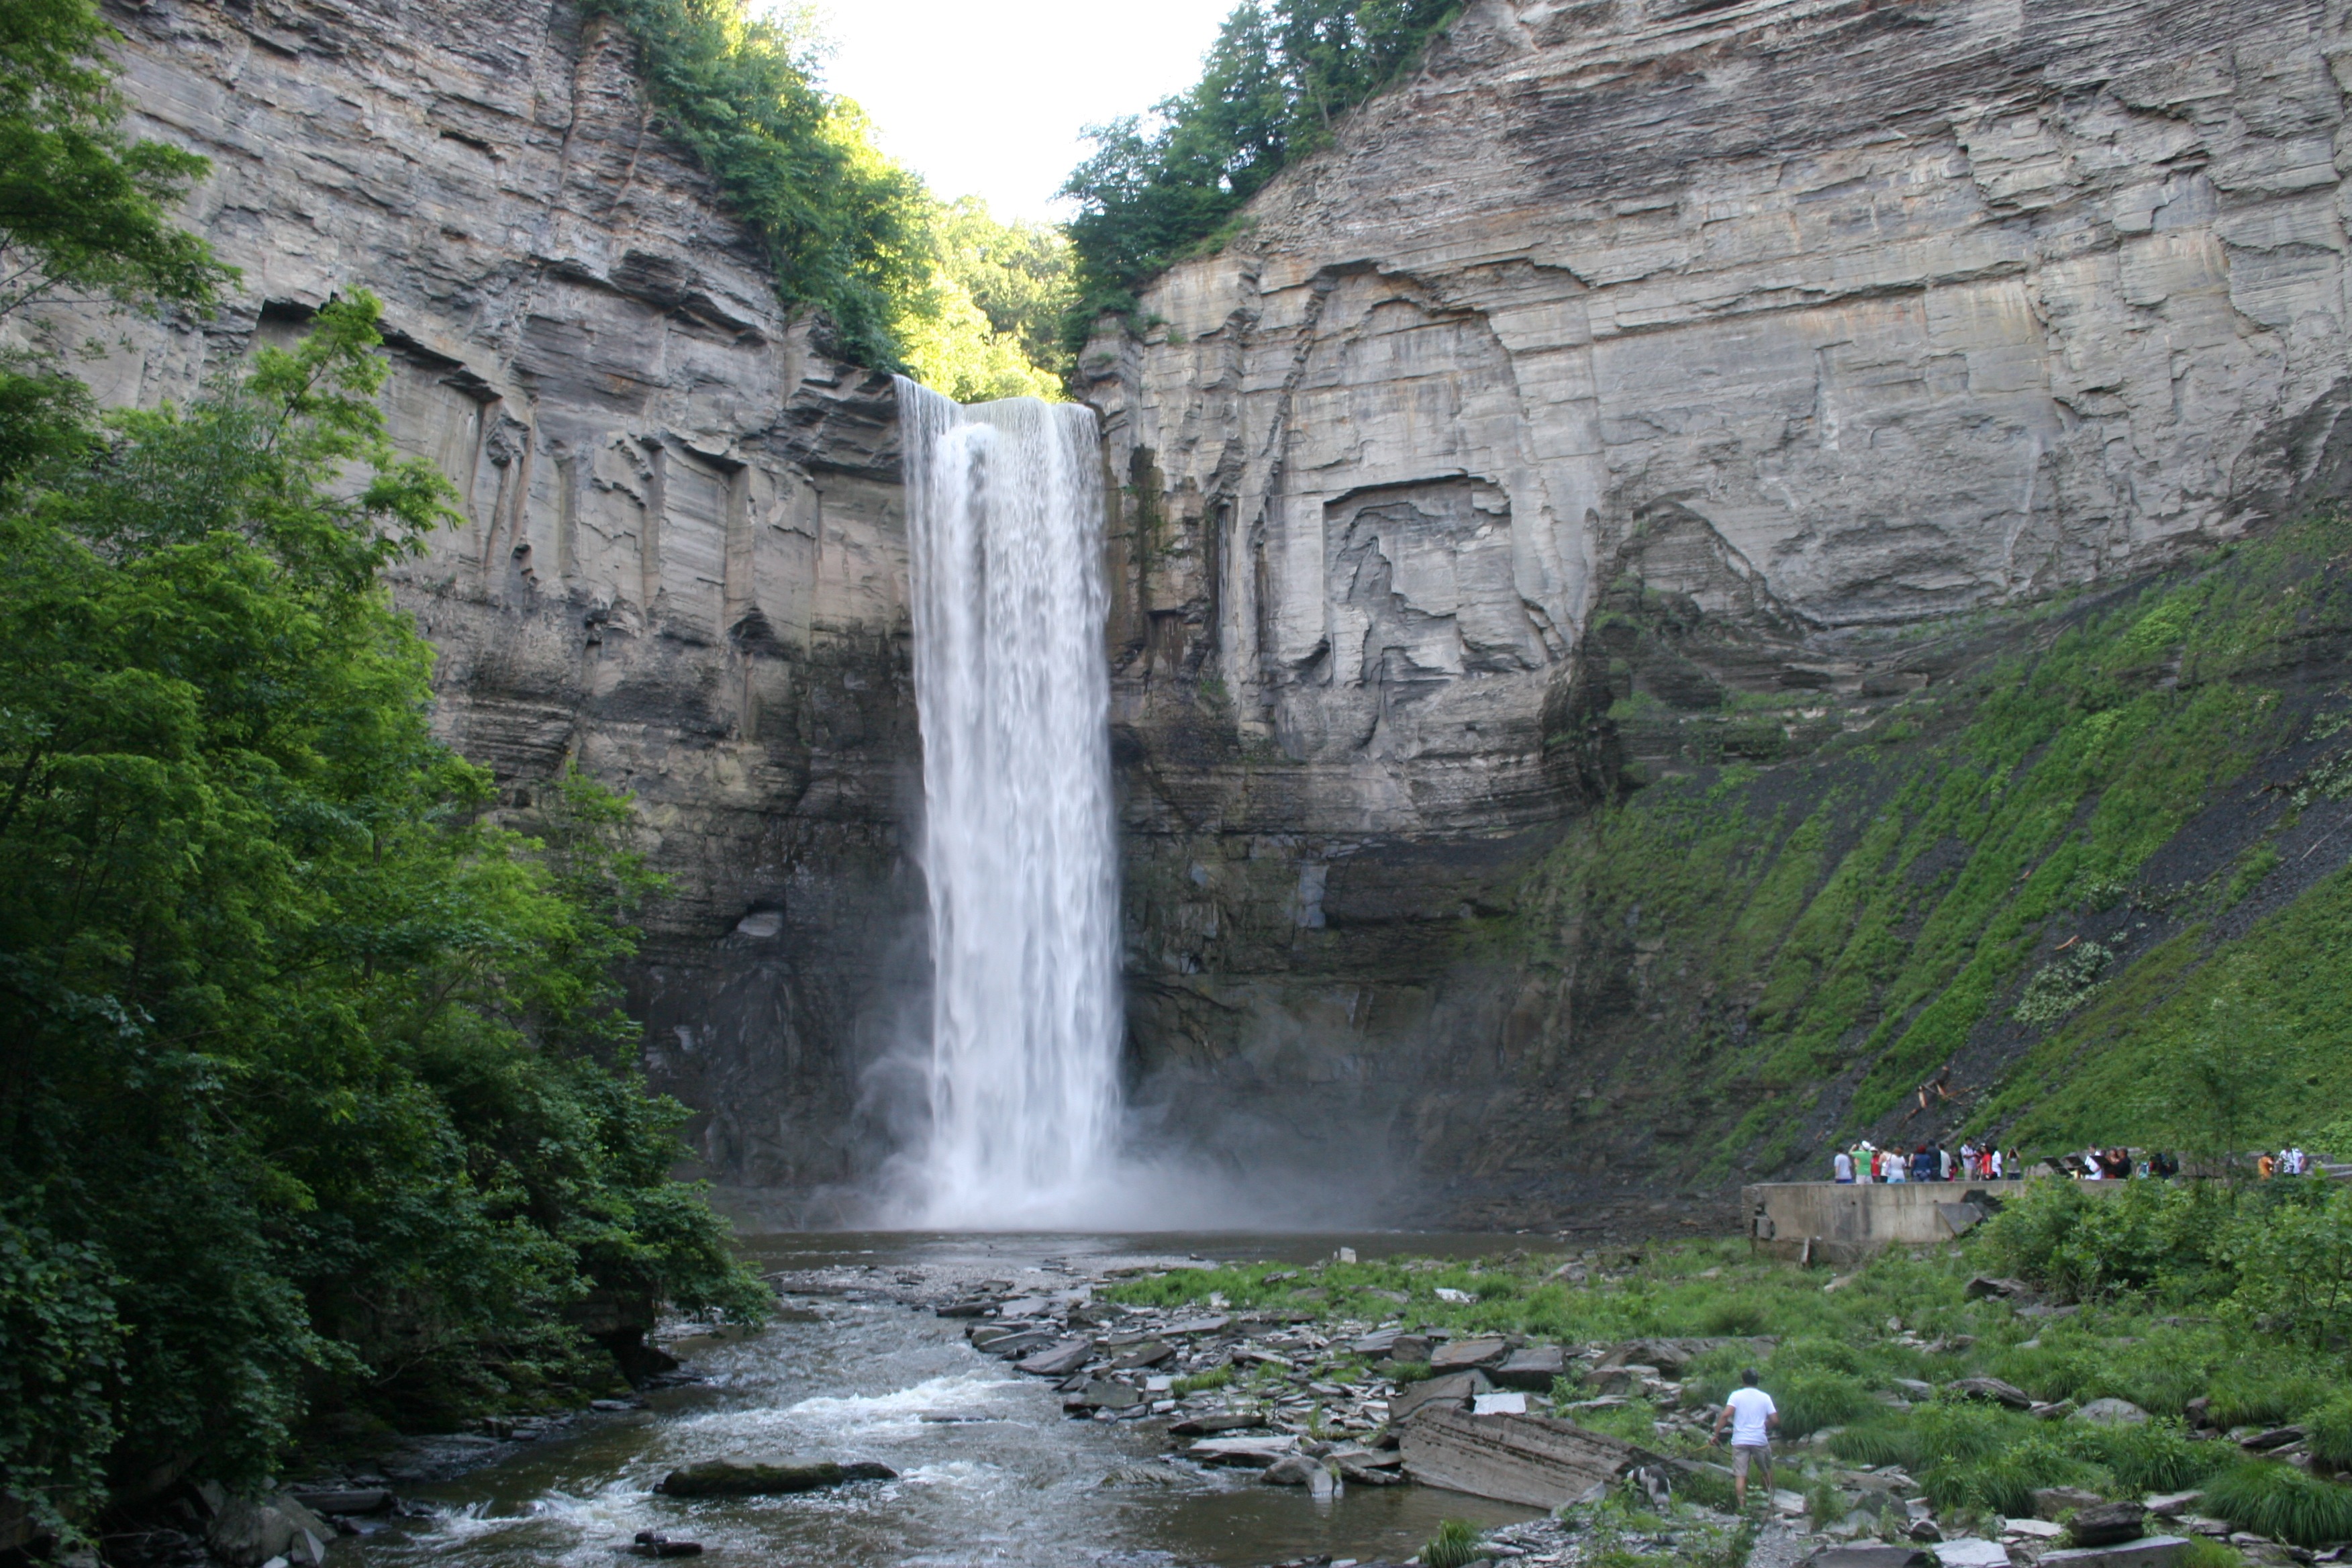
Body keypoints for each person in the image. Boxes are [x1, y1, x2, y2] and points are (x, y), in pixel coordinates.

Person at [1712, 1368, 1779, 1512]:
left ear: (1743, 1381)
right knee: (1766, 1471)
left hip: (1740, 1440)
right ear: (1757, 1381)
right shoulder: (1765, 1397)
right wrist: (1765, 1425)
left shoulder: (1736, 1396)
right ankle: (1766, 1503)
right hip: (1759, 1440)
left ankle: (1742, 1508)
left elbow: (1726, 1415)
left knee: (1740, 1475)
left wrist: (1716, 1434)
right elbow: (1775, 1419)